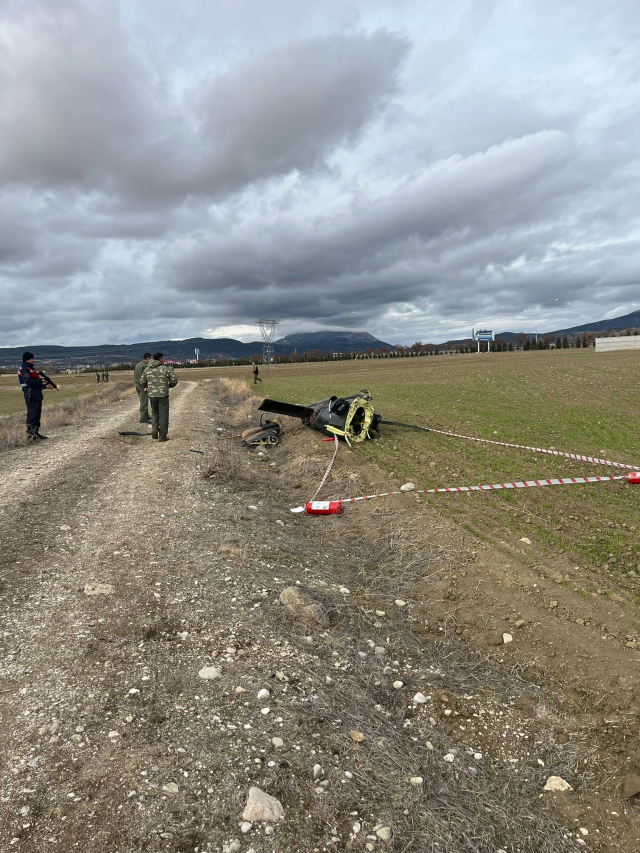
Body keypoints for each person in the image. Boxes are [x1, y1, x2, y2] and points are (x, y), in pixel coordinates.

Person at [139, 352, 178, 441]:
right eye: (163, 358)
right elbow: (174, 380)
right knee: (163, 415)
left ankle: (154, 429)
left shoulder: (147, 369)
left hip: (152, 395)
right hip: (163, 395)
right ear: (160, 359)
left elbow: (141, 381)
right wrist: (168, 386)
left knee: (154, 413)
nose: (163, 360)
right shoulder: (165, 369)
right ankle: (162, 436)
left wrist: (148, 386)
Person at [17, 351, 55, 442]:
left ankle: (36, 433)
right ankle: (31, 435)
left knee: (37, 414)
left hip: (36, 393)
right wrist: (40, 381)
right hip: (30, 394)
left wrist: (45, 386)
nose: (33, 360)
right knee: (32, 415)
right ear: (27, 359)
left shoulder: (30, 368)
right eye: (32, 359)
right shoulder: (25, 368)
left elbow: (34, 382)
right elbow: (28, 381)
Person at [134, 353, 152, 423]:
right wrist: (146, 386)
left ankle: (146, 416)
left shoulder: (138, 364)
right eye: (150, 359)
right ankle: (143, 418)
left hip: (137, 384)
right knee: (144, 403)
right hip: (142, 386)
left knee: (143, 401)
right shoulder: (145, 366)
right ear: (148, 358)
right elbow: (145, 377)